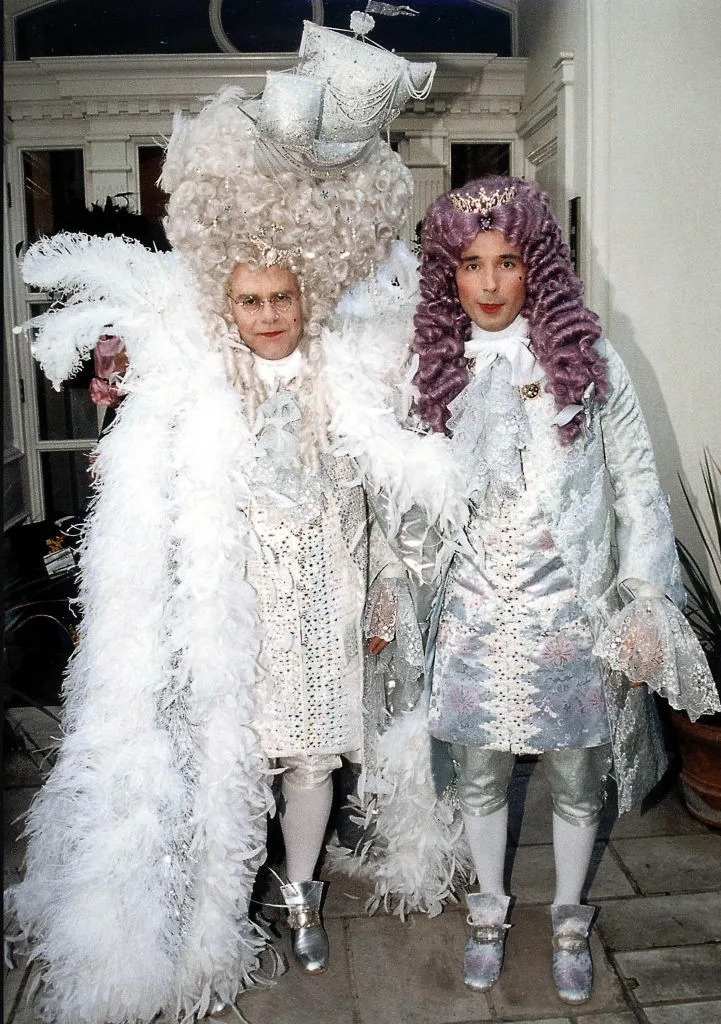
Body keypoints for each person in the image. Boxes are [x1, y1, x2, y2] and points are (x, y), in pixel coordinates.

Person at [6, 24, 460, 1024]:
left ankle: (297, 892)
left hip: (325, 608)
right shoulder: (197, 388)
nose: (266, 314)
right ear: (232, 300)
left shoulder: (351, 376)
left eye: (281, 297)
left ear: (305, 296)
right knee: (230, 764)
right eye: (250, 299)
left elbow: (390, 496)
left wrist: (386, 588)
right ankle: (216, 909)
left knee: (312, 762)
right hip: (233, 613)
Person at [411, 176, 720, 1005]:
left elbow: (636, 486)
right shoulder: (429, 370)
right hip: (474, 612)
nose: (486, 283)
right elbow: (409, 499)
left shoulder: (588, 359)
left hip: (569, 612)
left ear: (535, 265)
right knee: (480, 772)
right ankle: (487, 912)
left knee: (578, 777)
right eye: (470, 263)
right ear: (447, 271)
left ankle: (570, 917)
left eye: (505, 261)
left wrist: (643, 593)